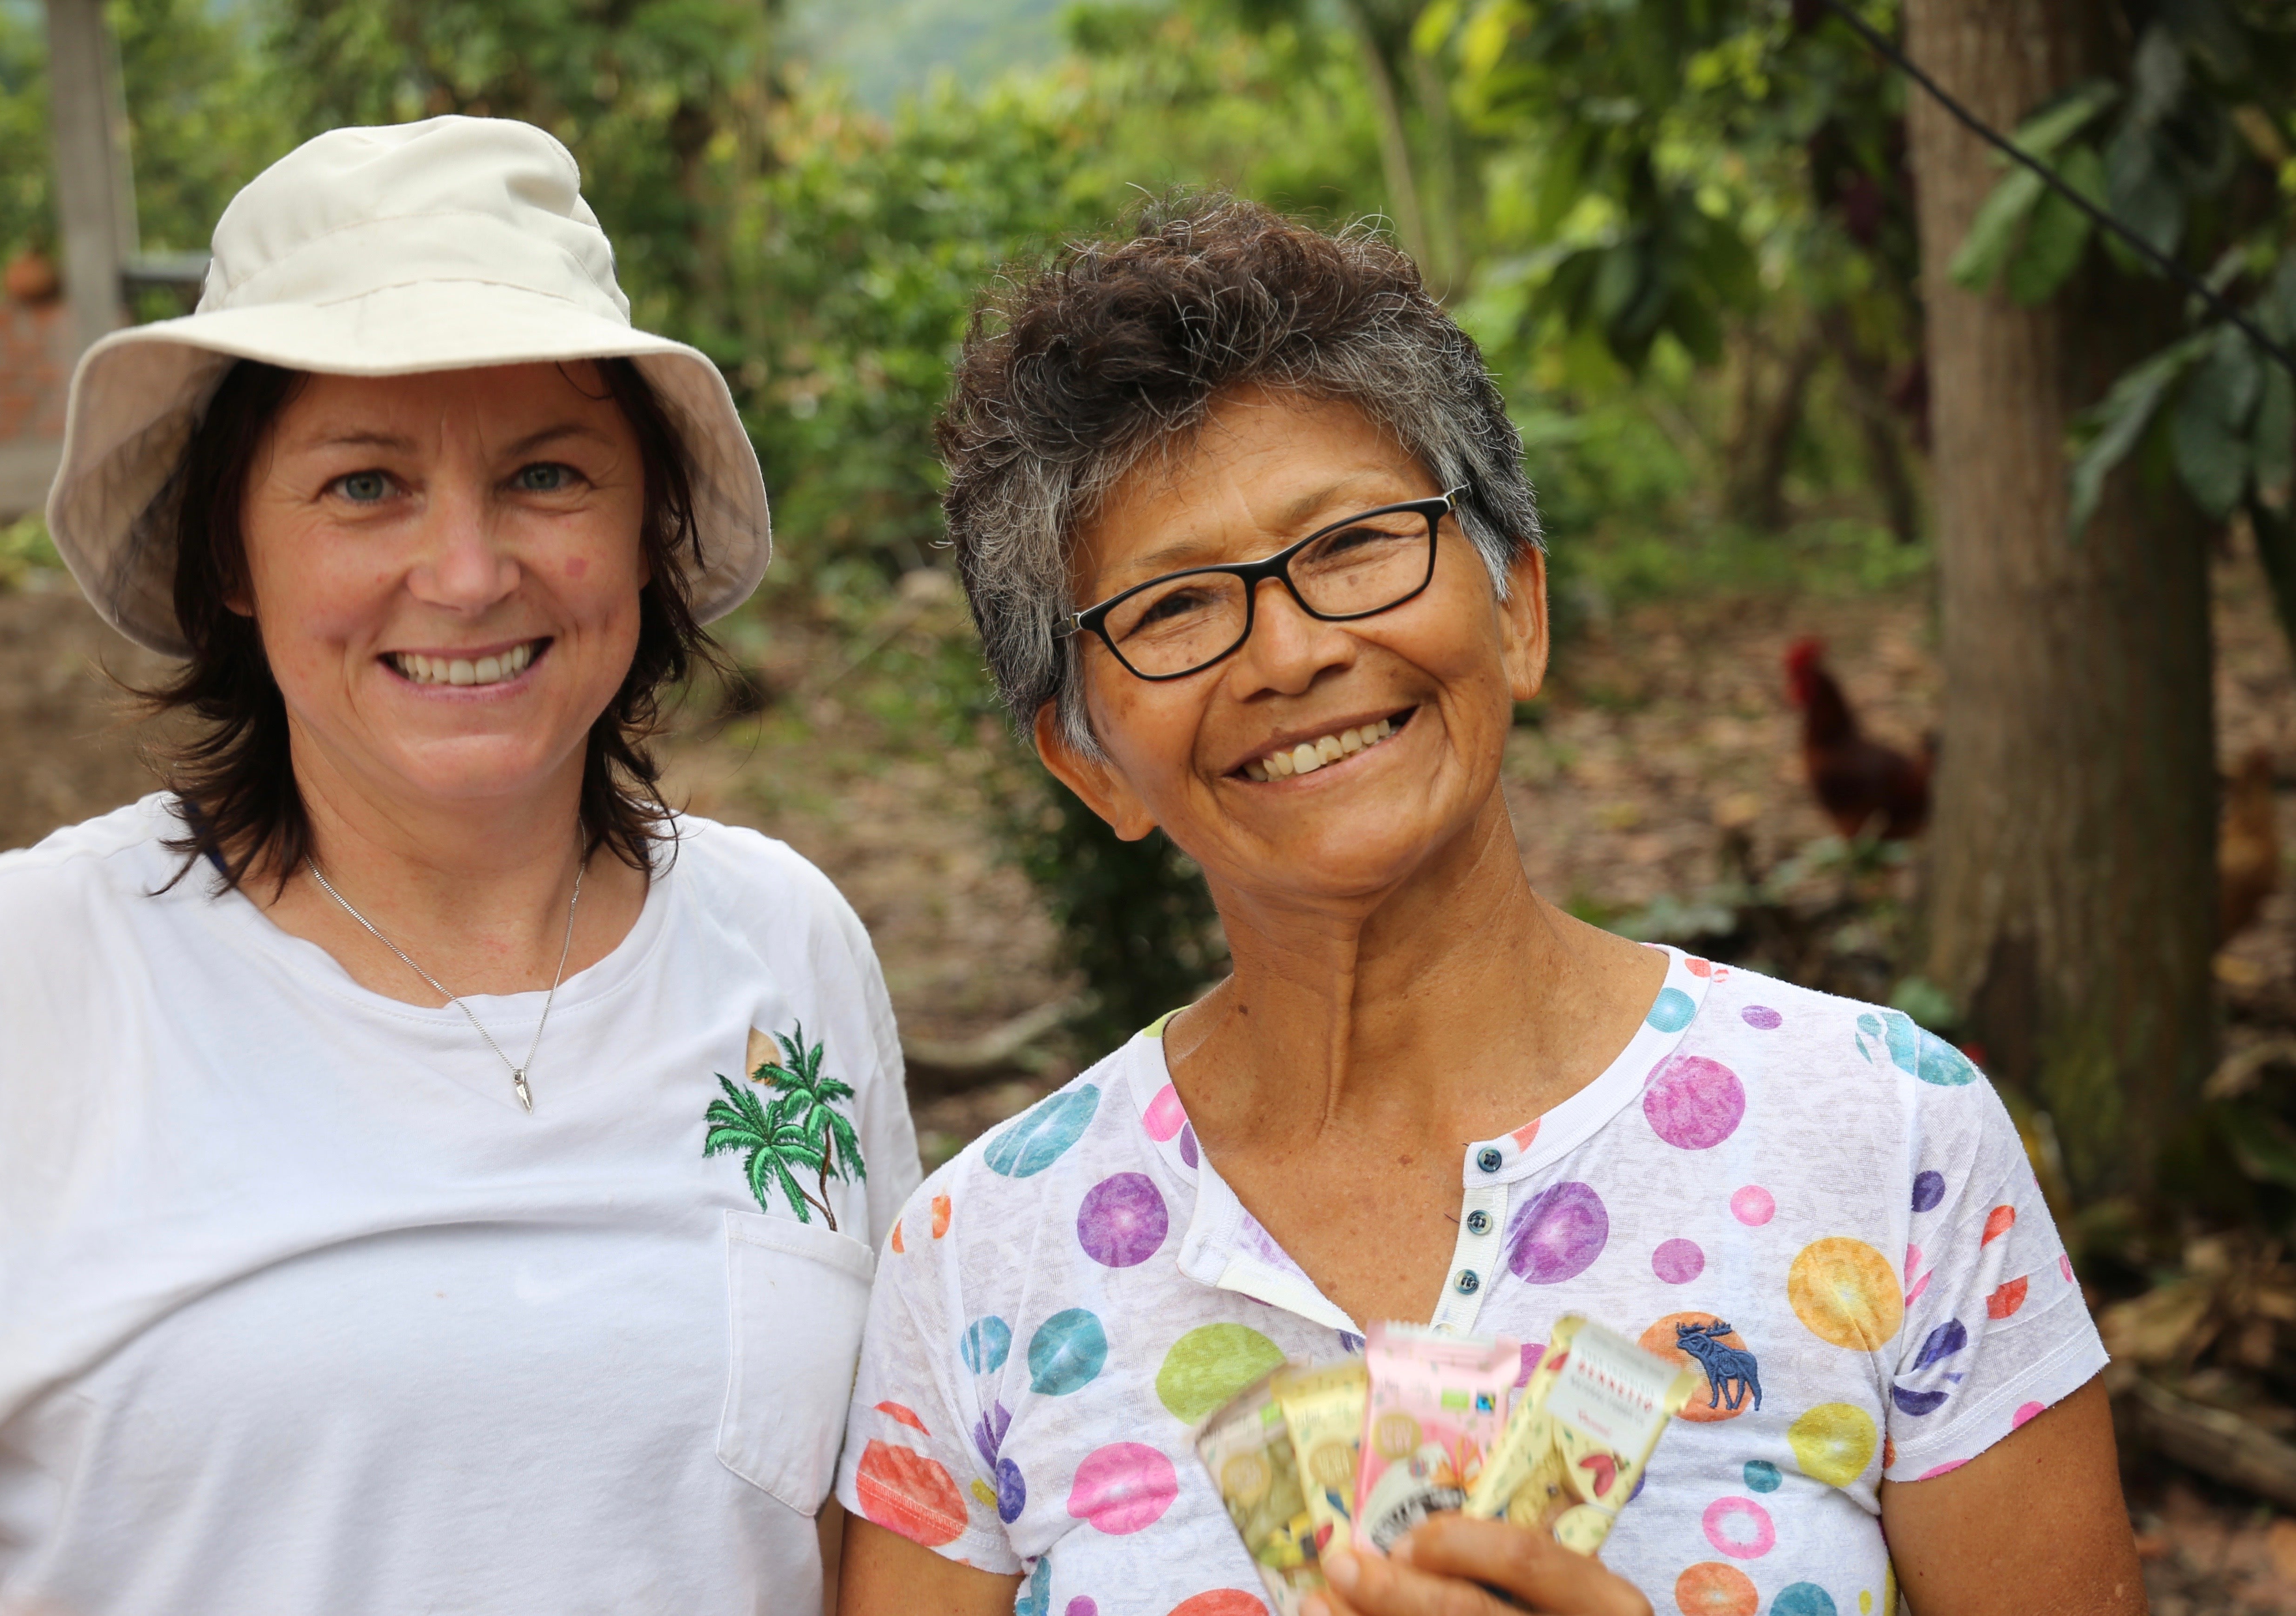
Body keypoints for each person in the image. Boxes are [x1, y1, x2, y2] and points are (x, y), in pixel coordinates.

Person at [833, 198, 2142, 1616]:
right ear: (1090, 765)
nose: (1289, 651)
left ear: (1517, 606)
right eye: (1173, 609)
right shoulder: (985, 1259)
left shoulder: (1883, 1135)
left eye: (1353, 544)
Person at [0, 117, 918, 1616]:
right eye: (365, 485)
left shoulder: (785, 945)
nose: (466, 572)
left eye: (549, 475)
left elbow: (877, 1532)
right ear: (232, 554)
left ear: (646, 529)